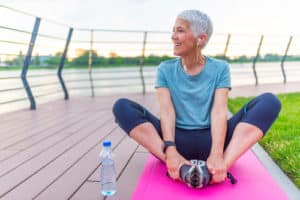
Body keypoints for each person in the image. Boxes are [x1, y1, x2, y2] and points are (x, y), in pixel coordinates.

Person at [112, 10, 281, 184]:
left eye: (180, 30)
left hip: (214, 140)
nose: (173, 36)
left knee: (270, 102)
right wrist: (170, 148)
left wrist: (216, 153)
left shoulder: (220, 68)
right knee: (122, 107)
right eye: (173, 31)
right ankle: (178, 164)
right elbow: (167, 111)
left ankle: (219, 167)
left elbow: (218, 111)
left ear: (201, 39)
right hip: (176, 142)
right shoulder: (165, 69)